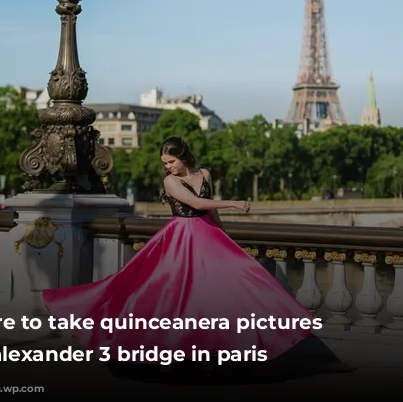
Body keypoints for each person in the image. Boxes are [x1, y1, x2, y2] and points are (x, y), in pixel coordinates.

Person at [43, 136, 315, 366]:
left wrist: (224, 236)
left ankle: (230, 347)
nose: (168, 167)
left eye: (171, 161)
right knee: (169, 295)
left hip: (208, 235)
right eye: (165, 163)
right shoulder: (170, 183)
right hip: (181, 238)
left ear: (184, 157)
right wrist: (232, 203)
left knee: (235, 284)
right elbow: (196, 202)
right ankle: (170, 353)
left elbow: (207, 209)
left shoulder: (205, 174)